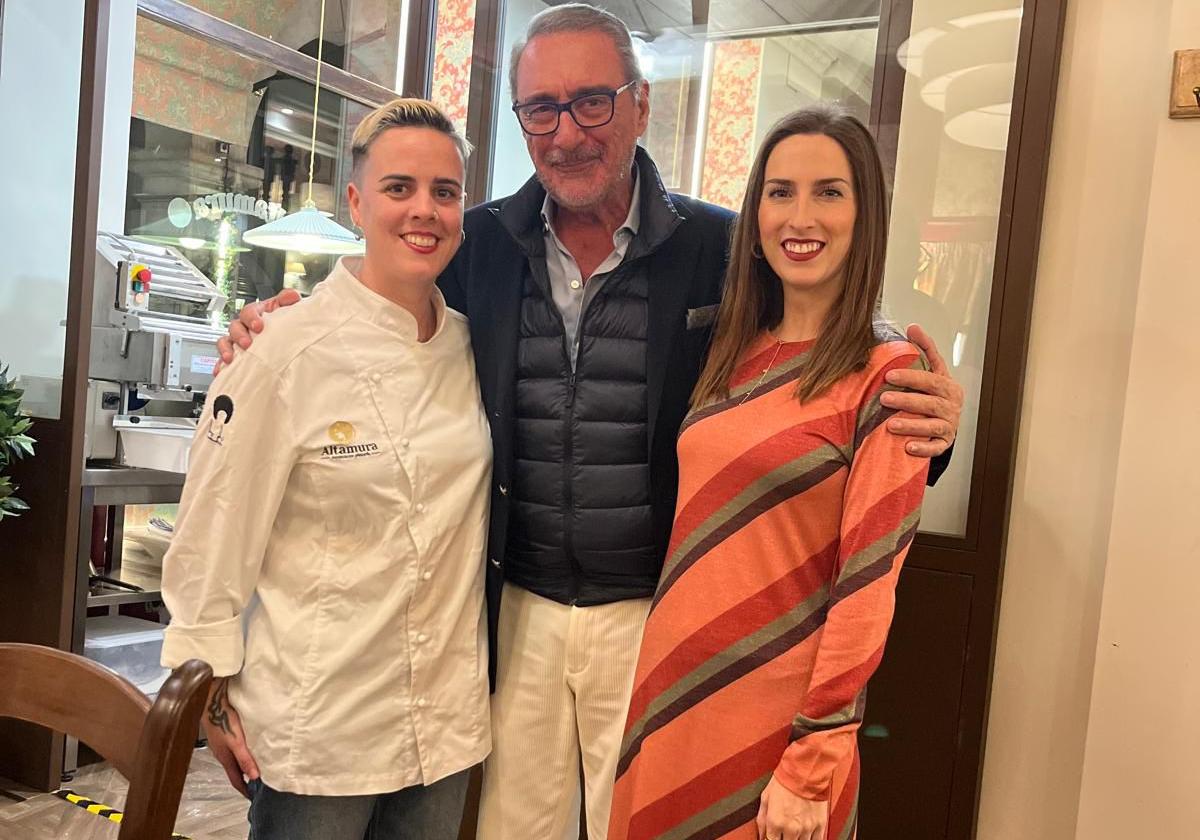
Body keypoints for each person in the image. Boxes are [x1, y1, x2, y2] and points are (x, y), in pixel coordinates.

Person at [216, 6, 964, 838]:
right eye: (541, 108)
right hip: (514, 610)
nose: (567, 132)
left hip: (654, 616)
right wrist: (274, 322)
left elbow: (820, 341)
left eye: (592, 102)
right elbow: (386, 300)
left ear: (640, 106)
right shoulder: (481, 245)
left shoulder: (720, 246)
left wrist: (922, 407)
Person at [160, 98, 492, 840]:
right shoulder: (281, 349)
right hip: (317, 729)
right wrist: (210, 692)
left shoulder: (476, 349)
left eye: (445, 192)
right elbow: (212, 532)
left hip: (444, 727)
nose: (424, 211)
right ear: (355, 200)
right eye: (399, 187)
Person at [607, 106, 926, 840]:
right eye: (779, 192)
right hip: (670, 699)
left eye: (829, 192)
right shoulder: (732, 352)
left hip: (778, 724)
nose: (799, 216)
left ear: (865, 214)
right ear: (753, 216)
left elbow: (867, 591)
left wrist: (815, 754)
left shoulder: (888, 376)